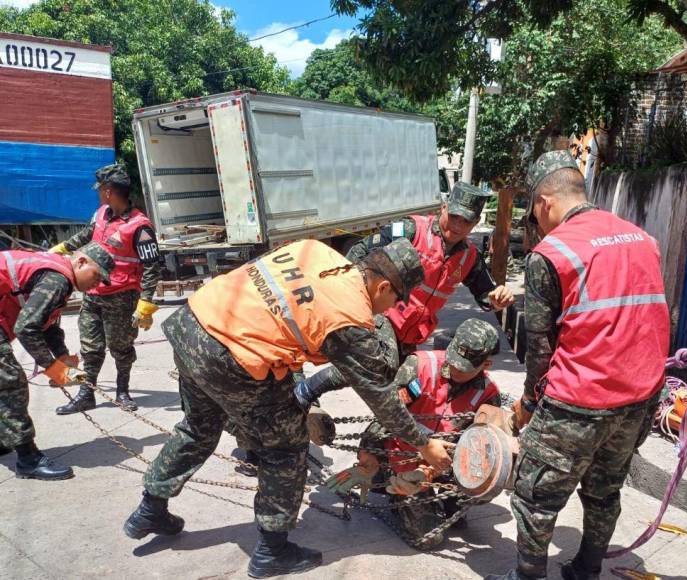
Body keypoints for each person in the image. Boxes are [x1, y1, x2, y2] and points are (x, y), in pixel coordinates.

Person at [122, 238, 453, 579]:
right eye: (396, 301)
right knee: (286, 447)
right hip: (232, 356)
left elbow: (277, 311)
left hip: (193, 324)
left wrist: (294, 387)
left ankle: (150, 507)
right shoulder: (349, 316)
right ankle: (272, 550)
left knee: (198, 428)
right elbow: (380, 396)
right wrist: (424, 443)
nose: (390, 310)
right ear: (383, 286)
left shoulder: (316, 252)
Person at [487, 151, 670, 580]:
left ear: (544, 202)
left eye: (533, 214)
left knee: (535, 496)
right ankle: (587, 570)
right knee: (604, 492)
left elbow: (540, 348)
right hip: (640, 399)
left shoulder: (550, 254)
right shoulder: (642, 238)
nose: (537, 224)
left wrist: (530, 405)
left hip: (578, 402)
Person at [293, 181, 514, 410]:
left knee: (405, 383)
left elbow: (486, 295)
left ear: (475, 223)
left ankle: (389, 434)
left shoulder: (469, 258)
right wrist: (350, 296)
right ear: (444, 207)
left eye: (466, 221)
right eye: (455, 216)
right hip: (384, 314)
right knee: (377, 363)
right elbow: (360, 251)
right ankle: (306, 390)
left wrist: (497, 298)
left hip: (413, 332)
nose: (458, 225)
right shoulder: (412, 230)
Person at [326, 318, 503, 547]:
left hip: (444, 465)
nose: (455, 368)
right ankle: (389, 483)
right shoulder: (420, 366)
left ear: (486, 365)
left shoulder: (488, 396)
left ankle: (450, 504)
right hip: (403, 459)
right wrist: (368, 459)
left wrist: (428, 472)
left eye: (464, 366)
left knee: (482, 487)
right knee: (428, 539)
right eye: (454, 360)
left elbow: (483, 453)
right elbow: (385, 415)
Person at [52, 164, 161, 414]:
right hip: (92, 294)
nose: (99, 194)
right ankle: (86, 393)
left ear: (109, 191)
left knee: (121, 348)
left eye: (101, 189)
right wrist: (61, 249)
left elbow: (152, 266)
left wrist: (145, 303)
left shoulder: (140, 227)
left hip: (122, 298)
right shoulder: (101, 213)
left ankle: (123, 391)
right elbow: (86, 236)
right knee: (90, 347)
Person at [0, 242, 114, 480]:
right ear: (81, 262)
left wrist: (62, 358)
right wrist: (53, 367)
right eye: (96, 275)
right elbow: (27, 328)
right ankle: (28, 459)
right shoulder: (57, 279)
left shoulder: (55, 274)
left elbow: (48, 326)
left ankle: (5, 438)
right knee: (10, 381)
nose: (97, 284)